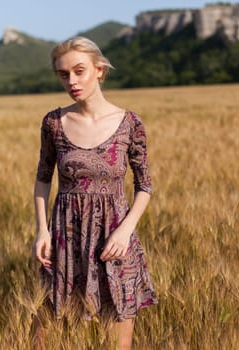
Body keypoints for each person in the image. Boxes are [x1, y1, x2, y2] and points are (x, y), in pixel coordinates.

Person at [32, 37, 158, 349]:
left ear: (99, 70)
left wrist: (125, 232)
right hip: (65, 239)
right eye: (64, 74)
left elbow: (145, 185)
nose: (71, 81)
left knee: (117, 342)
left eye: (79, 71)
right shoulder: (54, 123)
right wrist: (42, 230)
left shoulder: (130, 124)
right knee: (42, 338)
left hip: (114, 240)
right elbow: (43, 177)